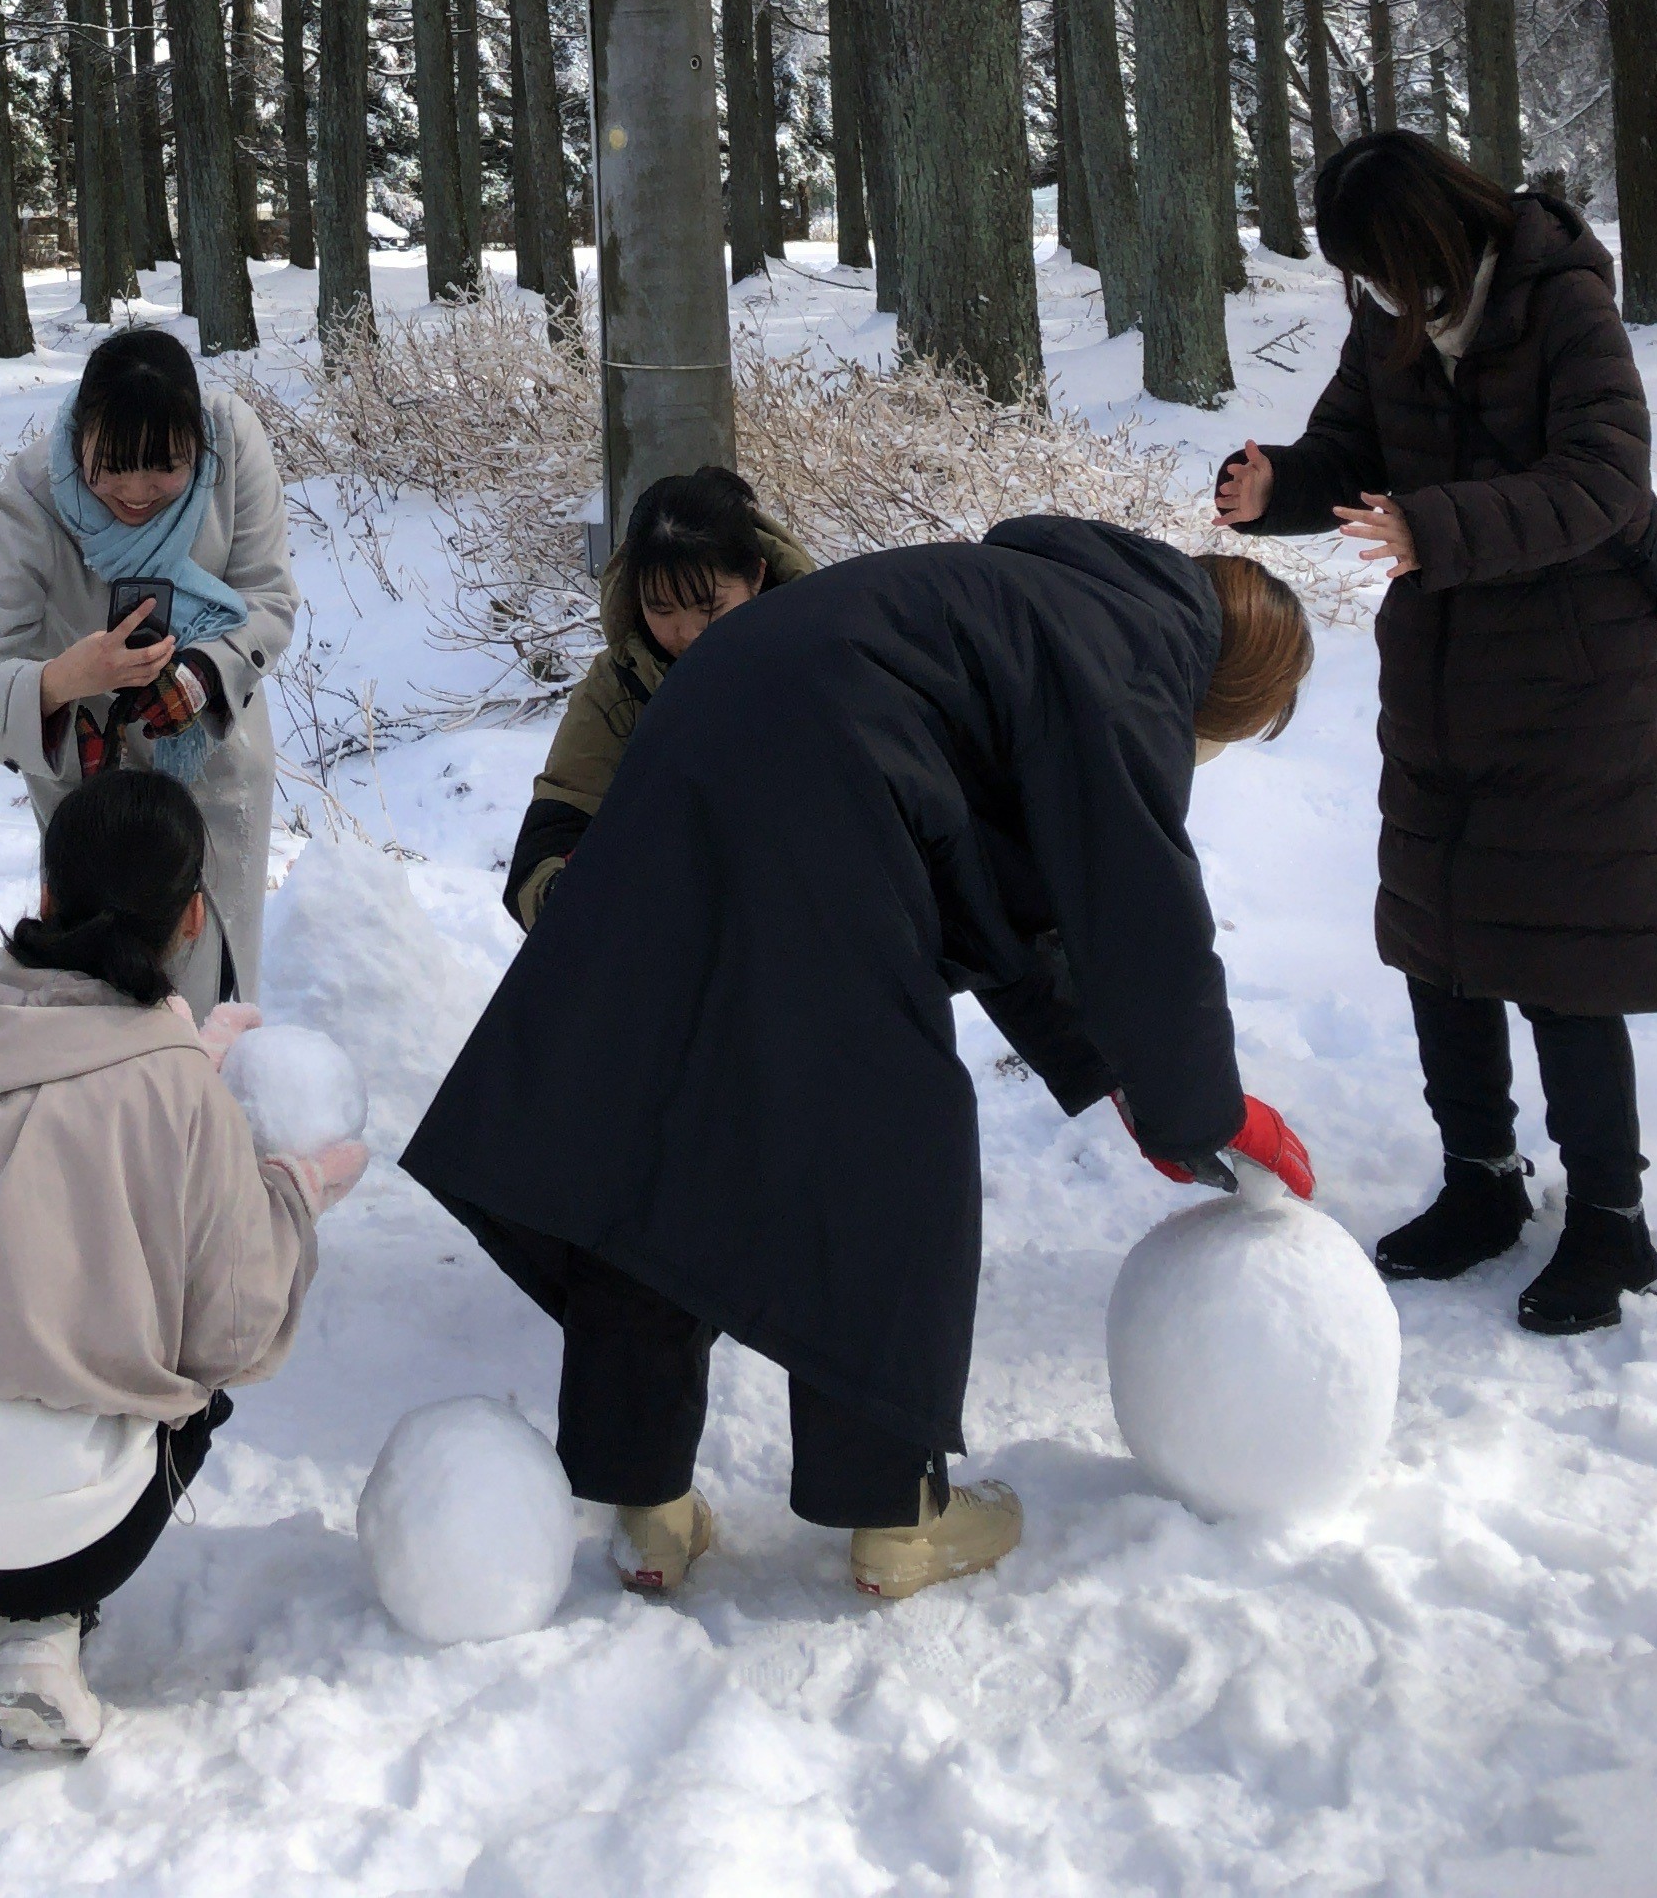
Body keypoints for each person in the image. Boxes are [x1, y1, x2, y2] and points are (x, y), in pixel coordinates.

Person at [400, 517, 1316, 1601]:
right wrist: (1202, 1111)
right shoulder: (1134, 659)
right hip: (812, 788)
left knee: (664, 1108)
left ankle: (644, 1503)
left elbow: (1009, 890)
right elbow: (1137, 911)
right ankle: (898, 1516)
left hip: (700, 748)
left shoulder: (1041, 598)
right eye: (1222, 738)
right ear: (1228, 691)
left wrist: (1126, 1074)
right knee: (888, 1142)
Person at [1214, 131, 1657, 1337]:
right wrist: (1278, 487)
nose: (1380, 296)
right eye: (1362, 277)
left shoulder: (1562, 303)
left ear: (1438, 232)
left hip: (1577, 684)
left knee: (1565, 960)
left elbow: (1605, 481)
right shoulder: (1392, 318)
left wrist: (1433, 528)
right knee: (1441, 942)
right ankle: (1481, 1181)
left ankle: (1610, 1223)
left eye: (1387, 267)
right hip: (1441, 681)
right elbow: (1351, 449)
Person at [0, 771, 366, 1753]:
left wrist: (177, 1059)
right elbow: (233, 1331)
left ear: (48, 893)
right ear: (194, 916)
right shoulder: (172, 1084)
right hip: (59, 1535)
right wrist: (292, 1196)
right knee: (195, 1389)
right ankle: (40, 1632)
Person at [0, 328, 299, 1003]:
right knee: (100, 1015)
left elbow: (268, 598)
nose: (135, 490)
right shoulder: (36, 496)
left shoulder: (232, 443)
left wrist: (198, 676)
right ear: (78, 442)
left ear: (199, 442)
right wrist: (65, 682)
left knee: (205, 1011)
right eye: (111, 465)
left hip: (214, 783)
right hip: (92, 812)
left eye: (164, 465)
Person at [507, 466, 814, 930]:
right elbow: (549, 839)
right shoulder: (617, 689)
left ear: (757, 577)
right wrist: (569, 897)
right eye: (661, 609)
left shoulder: (826, 659)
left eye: (710, 607)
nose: (687, 634)